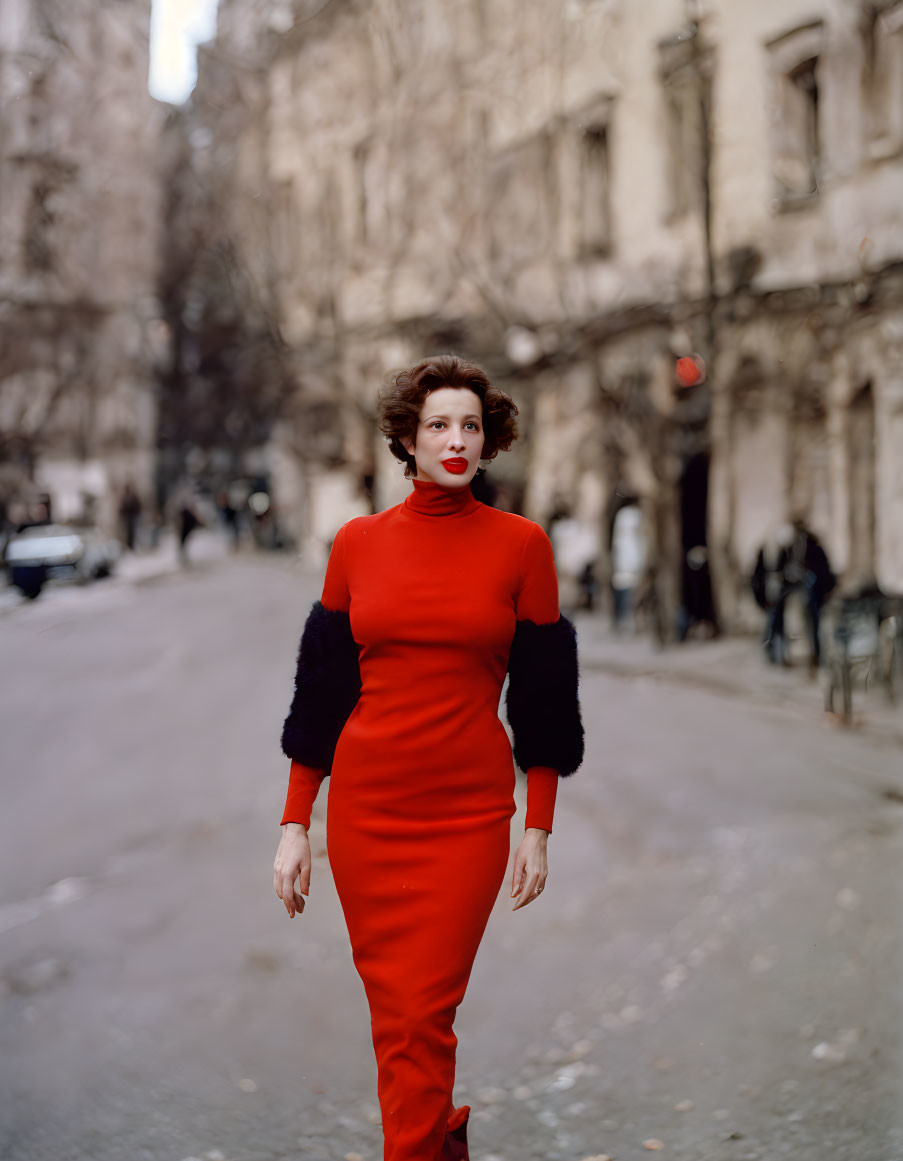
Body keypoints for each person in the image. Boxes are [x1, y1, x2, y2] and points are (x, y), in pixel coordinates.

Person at [272, 355, 584, 1161]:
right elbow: (321, 695)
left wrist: (538, 826)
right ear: (406, 440)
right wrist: (294, 822)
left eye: (470, 425)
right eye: (438, 424)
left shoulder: (522, 547)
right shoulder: (356, 544)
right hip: (368, 815)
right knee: (396, 1017)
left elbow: (544, 700)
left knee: (423, 1015)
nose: (455, 439)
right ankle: (437, 1143)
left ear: (489, 441)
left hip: (469, 817)